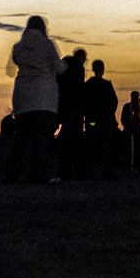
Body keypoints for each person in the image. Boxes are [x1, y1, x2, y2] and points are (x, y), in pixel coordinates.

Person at [8, 16, 60, 183]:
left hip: (22, 95)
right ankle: (36, 174)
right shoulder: (47, 45)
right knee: (39, 138)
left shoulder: (18, 47)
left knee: (20, 137)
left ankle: (14, 173)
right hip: (43, 97)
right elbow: (58, 67)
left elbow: (16, 61)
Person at [82, 59, 119, 180]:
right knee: (105, 146)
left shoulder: (88, 85)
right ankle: (106, 171)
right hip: (105, 120)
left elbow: (85, 102)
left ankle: (90, 171)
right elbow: (114, 102)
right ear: (102, 69)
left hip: (92, 119)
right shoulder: (106, 85)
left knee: (91, 145)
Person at [55, 48, 87, 181]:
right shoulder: (79, 68)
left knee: (65, 140)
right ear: (82, 58)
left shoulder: (64, 66)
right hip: (75, 107)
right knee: (76, 140)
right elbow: (79, 88)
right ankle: (77, 171)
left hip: (62, 106)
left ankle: (64, 170)